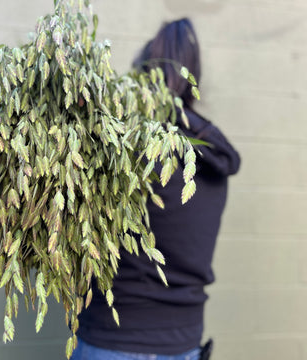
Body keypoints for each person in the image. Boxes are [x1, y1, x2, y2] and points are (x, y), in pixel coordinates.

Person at [71, 18, 241, 360]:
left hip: (111, 342)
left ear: (139, 78)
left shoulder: (121, 149)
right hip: (184, 344)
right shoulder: (212, 160)